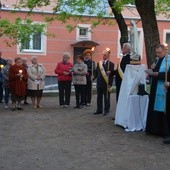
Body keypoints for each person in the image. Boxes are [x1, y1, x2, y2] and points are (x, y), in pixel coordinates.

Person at [146, 44, 170, 136]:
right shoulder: (157, 60)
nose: (158, 54)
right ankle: (153, 128)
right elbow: (155, 70)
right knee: (153, 107)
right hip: (155, 86)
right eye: (156, 53)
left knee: (162, 109)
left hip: (163, 88)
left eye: (159, 52)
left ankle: (162, 130)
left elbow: (168, 74)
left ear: (164, 51)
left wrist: (158, 74)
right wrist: (152, 70)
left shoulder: (168, 60)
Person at [93, 49, 115, 116]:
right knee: (99, 97)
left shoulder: (111, 64)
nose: (103, 56)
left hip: (106, 83)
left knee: (106, 97)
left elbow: (111, 75)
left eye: (105, 55)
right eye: (103, 55)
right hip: (99, 82)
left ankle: (106, 110)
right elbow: (96, 72)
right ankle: (99, 109)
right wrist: (93, 77)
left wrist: (110, 84)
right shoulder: (99, 63)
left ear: (108, 55)